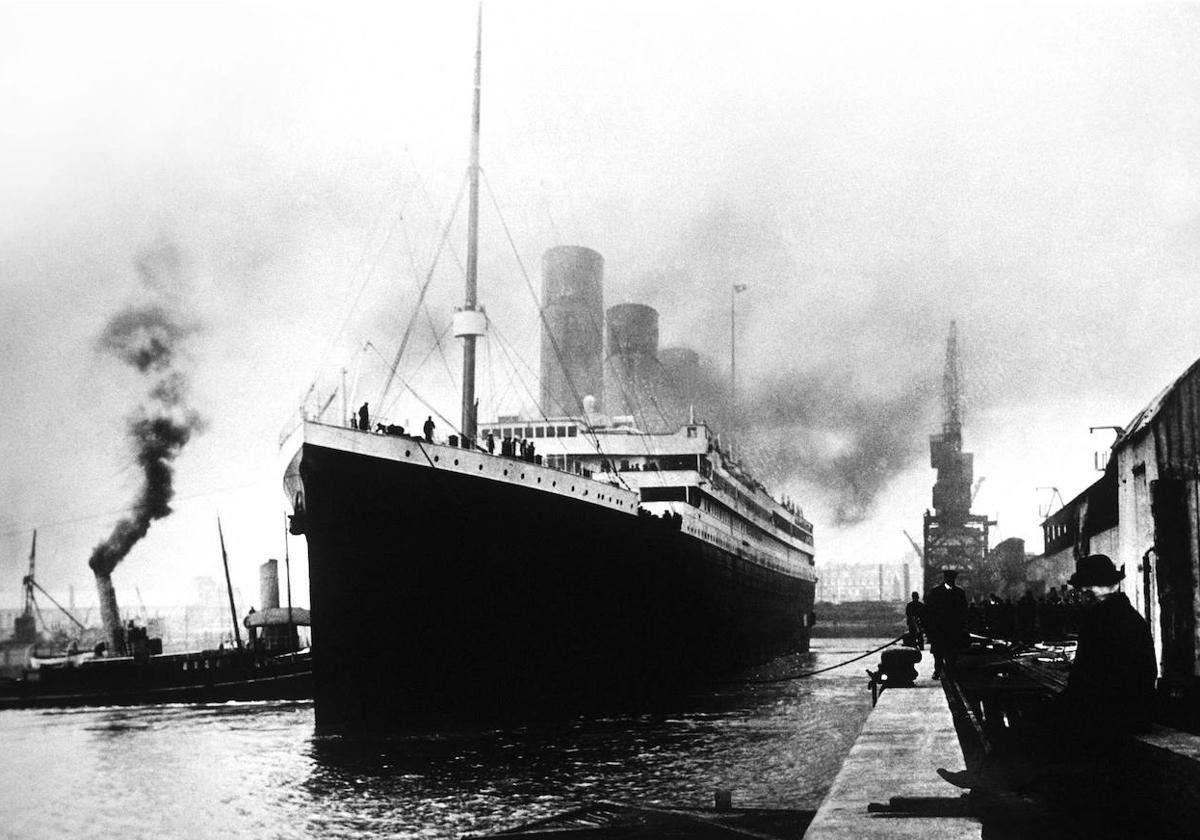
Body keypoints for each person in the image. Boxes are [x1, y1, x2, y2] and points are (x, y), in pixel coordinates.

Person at [939, 554, 1157, 793]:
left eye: (1081, 590)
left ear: (1090, 590)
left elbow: (1085, 681)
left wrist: (1063, 704)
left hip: (1113, 712)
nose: (1079, 596)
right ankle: (998, 779)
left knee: (1032, 724)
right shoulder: (1127, 616)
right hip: (1132, 708)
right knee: (1042, 719)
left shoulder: (1100, 619)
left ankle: (993, 780)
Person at [924, 568, 968, 679]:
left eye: (952, 579)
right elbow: (929, 611)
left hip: (953, 628)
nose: (950, 580)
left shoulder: (959, 593)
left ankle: (950, 672)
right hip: (939, 628)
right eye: (949, 578)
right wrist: (929, 628)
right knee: (938, 653)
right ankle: (938, 670)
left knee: (951, 653)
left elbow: (963, 611)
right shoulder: (936, 592)